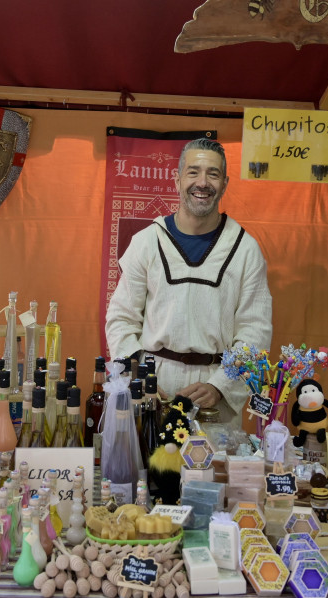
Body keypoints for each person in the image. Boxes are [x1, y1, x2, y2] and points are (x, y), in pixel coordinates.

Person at [105, 138, 273, 421]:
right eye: (193, 172)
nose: (203, 182)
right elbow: (121, 318)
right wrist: (141, 377)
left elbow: (254, 333)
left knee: (213, 466)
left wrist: (219, 386)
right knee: (148, 464)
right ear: (177, 179)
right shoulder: (147, 241)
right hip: (151, 390)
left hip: (213, 396)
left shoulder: (245, 249)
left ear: (225, 183)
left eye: (213, 174)